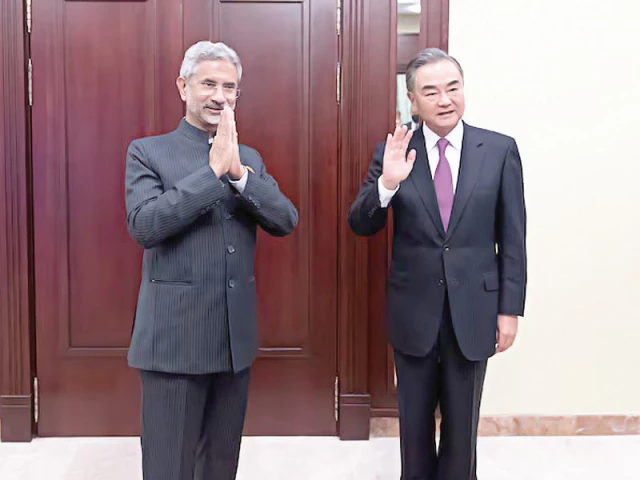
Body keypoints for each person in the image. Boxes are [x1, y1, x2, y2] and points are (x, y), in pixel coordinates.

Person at [348, 48, 526, 480]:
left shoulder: (498, 150)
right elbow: (361, 224)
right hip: (414, 309)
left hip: (475, 308)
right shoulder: (394, 151)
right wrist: (387, 184)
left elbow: (513, 238)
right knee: (414, 428)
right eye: (431, 92)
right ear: (412, 100)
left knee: (462, 431)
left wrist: (509, 309)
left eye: (453, 88)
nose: (445, 100)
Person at [124, 40, 298, 480]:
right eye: (208, 84)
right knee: (169, 467)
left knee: (220, 465)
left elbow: (285, 220)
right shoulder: (147, 151)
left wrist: (238, 174)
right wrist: (212, 172)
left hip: (233, 341)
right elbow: (145, 225)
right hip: (173, 342)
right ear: (184, 87)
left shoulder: (249, 158)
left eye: (229, 87)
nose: (220, 96)